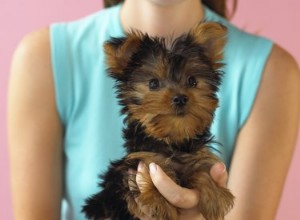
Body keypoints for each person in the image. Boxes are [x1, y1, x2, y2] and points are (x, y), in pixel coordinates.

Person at [8, 0, 300, 219]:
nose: (177, 96)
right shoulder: (45, 56)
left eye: (191, 81)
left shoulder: (273, 72)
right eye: (154, 84)